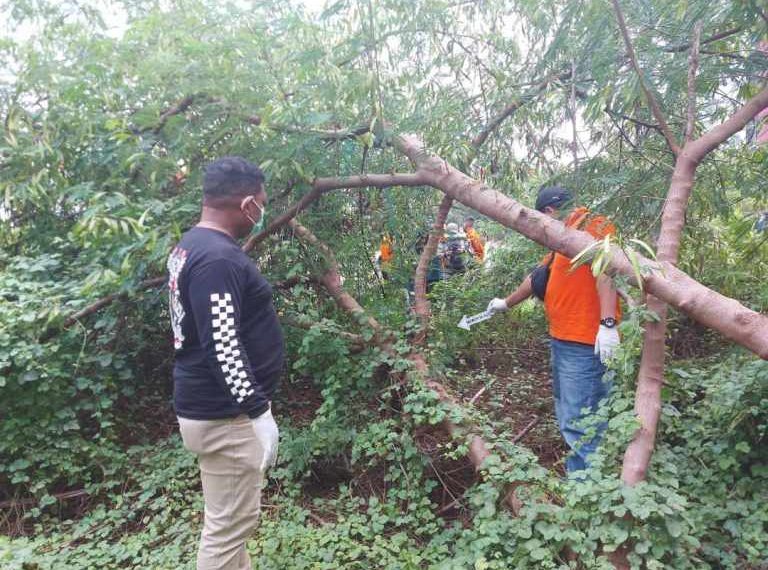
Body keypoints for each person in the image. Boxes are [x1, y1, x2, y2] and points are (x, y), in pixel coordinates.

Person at [167, 156, 284, 569]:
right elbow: (222, 344)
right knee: (228, 529)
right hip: (225, 416)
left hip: (211, 409)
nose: (261, 211)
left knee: (229, 524)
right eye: (262, 203)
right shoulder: (217, 260)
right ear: (247, 203)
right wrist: (257, 411)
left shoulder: (192, 244)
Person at [486, 186, 620, 473]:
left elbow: (608, 270)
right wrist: (505, 304)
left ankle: (587, 493)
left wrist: (608, 323)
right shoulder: (563, 237)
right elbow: (538, 278)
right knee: (569, 412)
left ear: (548, 212)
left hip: (585, 343)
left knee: (583, 419)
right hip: (563, 339)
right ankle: (584, 480)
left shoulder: (592, 224)